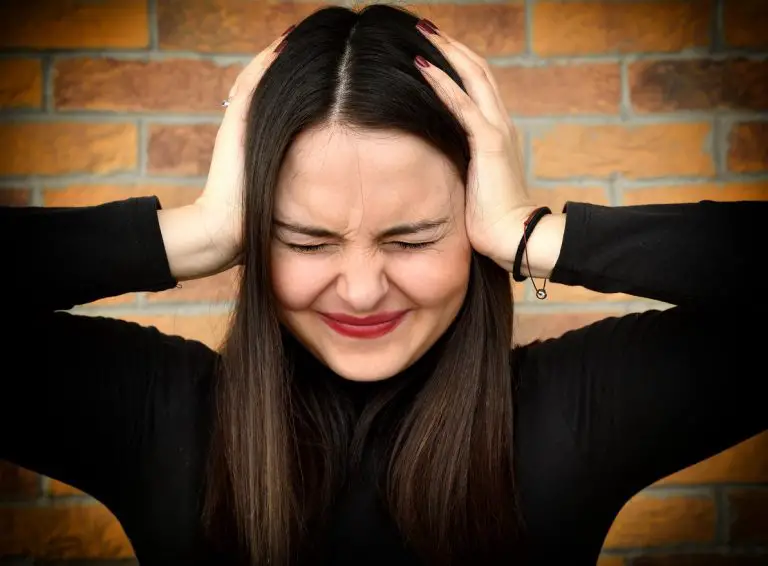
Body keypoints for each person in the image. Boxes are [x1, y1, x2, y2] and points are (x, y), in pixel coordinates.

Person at [1, 4, 765, 566]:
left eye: (413, 238)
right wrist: (196, 233)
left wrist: (532, 234)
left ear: (471, 224)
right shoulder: (160, 415)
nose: (362, 291)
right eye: (305, 239)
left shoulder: (576, 410)